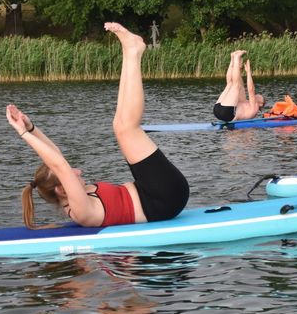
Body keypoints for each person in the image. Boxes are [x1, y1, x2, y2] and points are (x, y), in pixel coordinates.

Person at [10, 22, 189, 229]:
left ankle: (131, 52)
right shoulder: (81, 210)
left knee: (119, 125)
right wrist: (23, 134)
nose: (77, 171)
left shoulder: (77, 193)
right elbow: (59, 164)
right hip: (164, 199)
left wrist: (31, 128)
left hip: (153, 191)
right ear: (61, 189)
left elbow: (56, 156)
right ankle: (132, 51)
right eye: (70, 174)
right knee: (126, 129)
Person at [213, 49, 265, 122]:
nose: (258, 95)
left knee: (235, 85)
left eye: (260, 96)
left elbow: (251, 89)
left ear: (261, 104)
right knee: (230, 84)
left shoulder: (255, 107)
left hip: (226, 112)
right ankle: (233, 58)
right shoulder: (245, 102)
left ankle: (236, 57)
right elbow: (238, 82)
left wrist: (249, 72)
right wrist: (238, 68)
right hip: (220, 110)